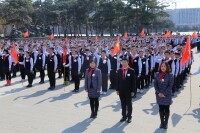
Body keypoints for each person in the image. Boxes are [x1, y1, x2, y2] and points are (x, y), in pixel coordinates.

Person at [154, 62, 174, 129]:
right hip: (159, 95)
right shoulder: (157, 74)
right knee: (161, 109)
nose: (163, 67)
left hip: (167, 95)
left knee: (166, 109)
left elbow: (170, 86)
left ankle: (166, 123)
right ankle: (162, 122)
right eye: (162, 66)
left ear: (167, 67)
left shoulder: (170, 75)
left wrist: (164, 94)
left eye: (164, 66)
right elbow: (155, 84)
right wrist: (159, 92)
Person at [116, 57, 136, 123]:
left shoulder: (131, 70)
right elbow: (117, 81)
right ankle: (124, 116)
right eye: (122, 62)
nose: (124, 63)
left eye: (125, 62)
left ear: (128, 62)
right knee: (123, 104)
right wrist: (117, 89)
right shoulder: (119, 70)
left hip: (129, 91)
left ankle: (129, 117)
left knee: (129, 104)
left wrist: (133, 91)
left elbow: (133, 82)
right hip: (121, 91)